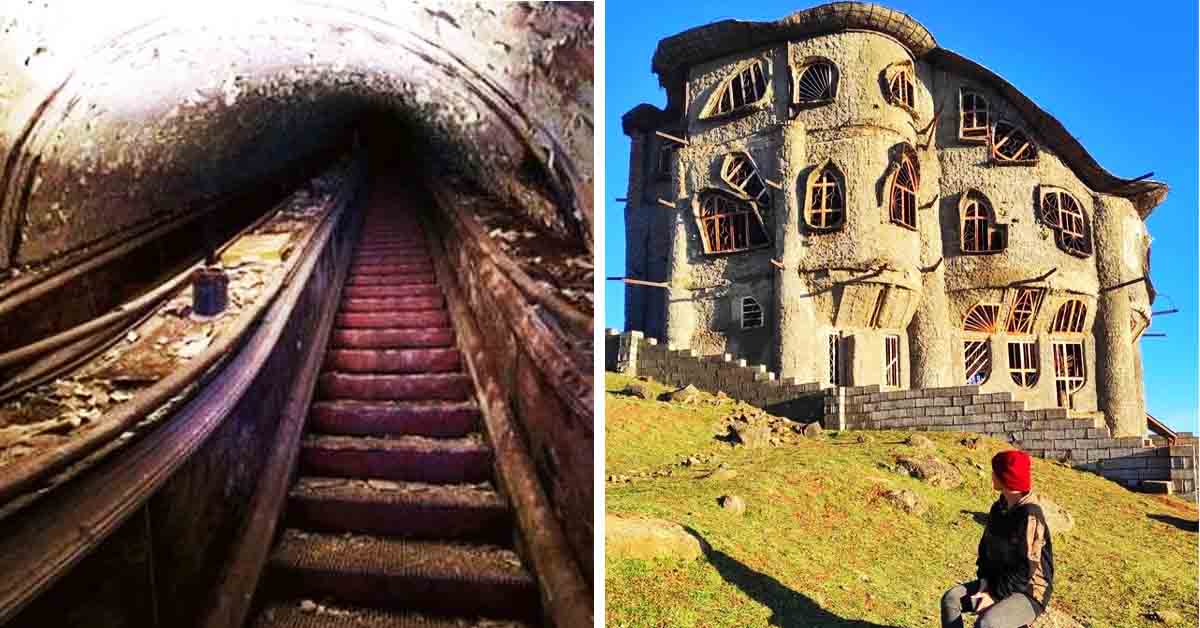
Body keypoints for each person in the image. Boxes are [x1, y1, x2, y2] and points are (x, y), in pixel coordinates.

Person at [940, 450, 1054, 628]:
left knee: (987, 624)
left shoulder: (1030, 515)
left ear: (1006, 478)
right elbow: (985, 552)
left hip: (1029, 592)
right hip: (996, 583)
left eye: (995, 472)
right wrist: (985, 583)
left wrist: (994, 596)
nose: (992, 475)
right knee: (951, 600)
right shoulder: (998, 509)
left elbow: (1026, 570)